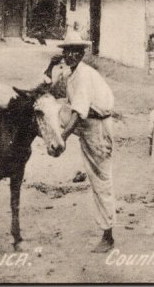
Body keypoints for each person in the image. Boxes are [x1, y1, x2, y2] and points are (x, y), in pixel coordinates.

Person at [43, 30, 116, 253]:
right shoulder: (70, 73)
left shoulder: (84, 75)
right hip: (85, 123)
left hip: (97, 127)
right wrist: (50, 66)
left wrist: (62, 139)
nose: (71, 56)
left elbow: (77, 113)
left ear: (83, 53)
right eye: (67, 52)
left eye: (76, 52)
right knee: (46, 105)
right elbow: (49, 91)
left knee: (101, 179)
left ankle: (108, 234)